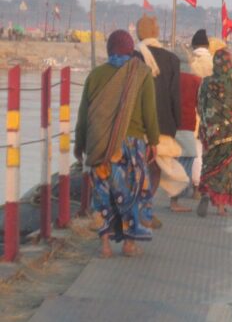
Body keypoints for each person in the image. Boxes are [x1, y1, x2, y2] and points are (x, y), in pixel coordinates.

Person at [74, 30, 158, 258]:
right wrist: (154, 140)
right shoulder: (141, 74)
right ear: (130, 50)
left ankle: (105, 246)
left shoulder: (95, 75)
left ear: (109, 49)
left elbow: (84, 116)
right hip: (131, 145)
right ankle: (129, 245)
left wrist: (79, 145)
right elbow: (150, 112)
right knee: (131, 194)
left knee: (102, 195)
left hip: (99, 144)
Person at [134, 15, 184, 225]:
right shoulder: (171, 60)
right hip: (163, 123)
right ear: (156, 32)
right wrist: (176, 123)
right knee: (154, 169)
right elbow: (175, 96)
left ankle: (136, 210)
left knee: (136, 169)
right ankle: (145, 209)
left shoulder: (133, 57)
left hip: (135, 125)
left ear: (138, 33)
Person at [196, 49, 232, 217]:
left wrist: (206, 125)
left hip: (211, 133)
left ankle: (205, 192)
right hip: (230, 132)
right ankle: (220, 207)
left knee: (209, 163)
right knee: (225, 168)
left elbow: (200, 106)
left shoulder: (206, 82)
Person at [171, 49, 202, 212]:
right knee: (189, 157)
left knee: (173, 161)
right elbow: (200, 105)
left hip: (170, 125)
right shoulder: (195, 80)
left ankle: (175, 198)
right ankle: (176, 198)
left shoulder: (170, 78)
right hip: (188, 124)